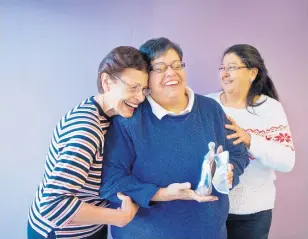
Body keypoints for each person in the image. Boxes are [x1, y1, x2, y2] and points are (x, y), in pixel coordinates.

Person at [100, 37, 250, 239]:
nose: (171, 73)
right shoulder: (130, 118)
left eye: (177, 65)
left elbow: (238, 152)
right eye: (160, 68)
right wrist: (160, 194)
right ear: (146, 77)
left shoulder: (211, 109)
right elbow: (111, 182)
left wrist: (230, 170)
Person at [27, 46, 151, 239]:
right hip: (62, 234)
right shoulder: (87, 129)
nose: (141, 97)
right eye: (133, 87)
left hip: (91, 228)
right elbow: (53, 204)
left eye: (144, 89)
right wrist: (119, 217)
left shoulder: (109, 115)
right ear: (106, 81)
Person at [207, 44, 295, 239]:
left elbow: (287, 161)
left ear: (252, 73)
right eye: (222, 68)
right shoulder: (208, 104)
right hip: (211, 208)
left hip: (253, 213)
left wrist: (249, 139)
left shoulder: (270, 108)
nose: (225, 73)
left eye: (232, 67)